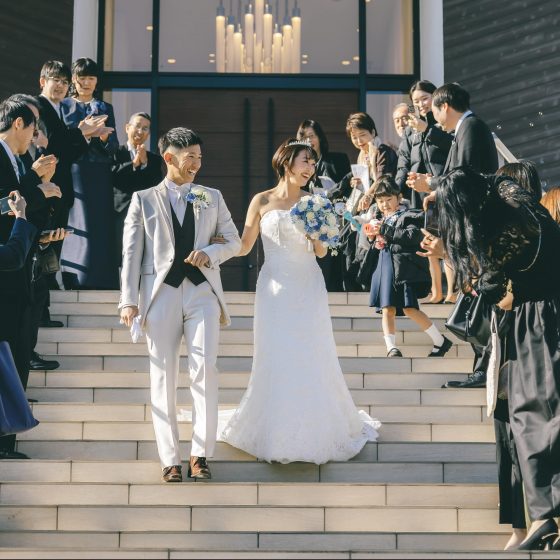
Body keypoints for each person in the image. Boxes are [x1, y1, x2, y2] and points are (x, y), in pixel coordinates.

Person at [218, 139, 380, 463]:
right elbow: (245, 246)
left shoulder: (315, 201)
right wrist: (214, 246)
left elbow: (321, 252)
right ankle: (275, 426)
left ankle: (313, 426)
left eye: (312, 163)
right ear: (286, 162)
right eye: (305, 161)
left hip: (307, 285)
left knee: (311, 352)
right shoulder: (261, 200)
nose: (310, 168)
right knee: (275, 353)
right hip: (273, 288)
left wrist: (315, 235)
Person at [427, 167, 560, 551]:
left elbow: (493, 290)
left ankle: (545, 516)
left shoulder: (499, 227)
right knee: (530, 416)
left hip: (534, 324)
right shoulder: (513, 200)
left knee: (533, 415)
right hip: (539, 319)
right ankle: (540, 518)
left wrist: (452, 255)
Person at [119, 127, 241, 483]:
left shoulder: (210, 196)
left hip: (203, 292)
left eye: (200, 157)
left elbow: (233, 241)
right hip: (160, 294)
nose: (197, 164)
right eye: (190, 157)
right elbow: (131, 253)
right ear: (169, 157)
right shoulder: (143, 199)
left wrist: (211, 251)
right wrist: (128, 300)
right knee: (162, 375)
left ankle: (200, 454)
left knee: (205, 369)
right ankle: (169, 458)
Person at [365, 175, 451, 358]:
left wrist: (383, 230)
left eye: (389, 199)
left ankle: (440, 340)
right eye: (380, 201)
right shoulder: (379, 219)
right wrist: (372, 237)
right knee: (387, 308)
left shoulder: (409, 215)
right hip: (384, 265)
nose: (385, 204)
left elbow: (412, 237)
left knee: (410, 308)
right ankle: (391, 347)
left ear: (399, 198)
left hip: (402, 269)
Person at [393, 81, 455, 304]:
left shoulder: (443, 122)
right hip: (418, 193)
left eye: (425, 98)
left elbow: (452, 147)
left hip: (441, 189)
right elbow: (404, 161)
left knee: (445, 239)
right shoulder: (410, 130)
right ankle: (436, 291)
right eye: (416, 101)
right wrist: (396, 188)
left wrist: (426, 129)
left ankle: (452, 291)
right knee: (427, 241)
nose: (421, 104)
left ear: (435, 96)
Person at [60, 58, 119, 289]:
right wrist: (83, 133)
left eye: (91, 78)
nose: (86, 82)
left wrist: (103, 137)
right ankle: (76, 276)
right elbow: (62, 142)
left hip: (100, 172)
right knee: (78, 221)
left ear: (97, 81)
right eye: (82, 77)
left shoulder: (105, 108)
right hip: (74, 170)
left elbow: (114, 147)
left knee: (100, 222)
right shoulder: (64, 106)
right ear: (74, 79)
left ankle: (102, 278)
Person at [35, 60, 110, 235]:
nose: (61, 85)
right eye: (56, 80)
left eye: (65, 82)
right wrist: (81, 131)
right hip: (46, 190)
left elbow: (68, 152)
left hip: (60, 191)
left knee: (54, 245)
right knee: (44, 244)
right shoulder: (38, 106)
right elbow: (53, 144)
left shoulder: (57, 108)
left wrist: (87, 135)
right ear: (43, 81)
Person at [330, 112, 397, 291]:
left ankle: (365, 283)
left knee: (363, 243)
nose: (359, 141)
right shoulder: (363, 155)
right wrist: (357, 183)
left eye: (362, 135)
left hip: (381, 207)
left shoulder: (382, 150)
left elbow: (383, 179)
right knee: (349, 238)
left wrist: (368, 194)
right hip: (365, 208)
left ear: (373, 132)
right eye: (354, 137)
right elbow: (367, 182)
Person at [296, 119, 350, 291]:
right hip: (312, 224)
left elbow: (347, 189)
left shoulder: (337, 160)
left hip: (338, 222)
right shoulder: (298, 168)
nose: (309, 141)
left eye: (312, 136)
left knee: (335, 269)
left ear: (320, 137)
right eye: (304, 137)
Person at [112, 112, 164, 266]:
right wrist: (134, 164)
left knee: (142, 258)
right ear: (127, 128)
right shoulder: (115, 152)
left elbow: (156, 185)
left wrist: (145, 164)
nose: (140, 131)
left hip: (145, 215)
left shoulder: (154, 159)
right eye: (137, 126)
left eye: (145, 128)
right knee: (118, 256)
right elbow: (112, 177)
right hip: (119, 213)